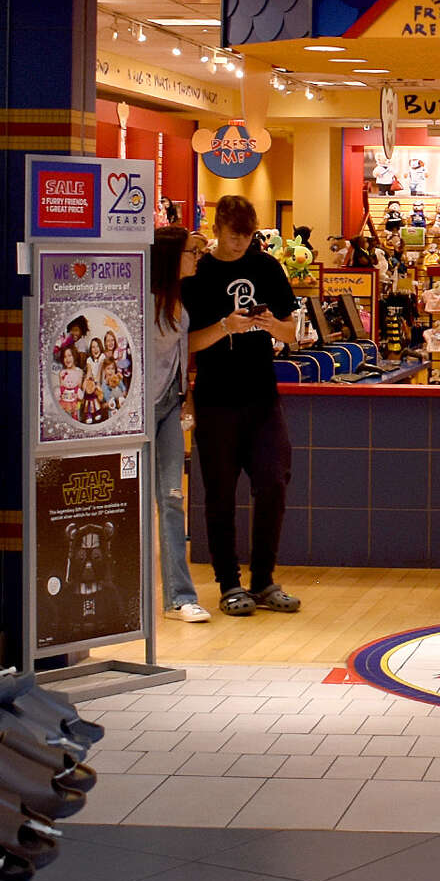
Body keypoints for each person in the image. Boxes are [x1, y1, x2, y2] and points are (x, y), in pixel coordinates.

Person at [184, 195, 303, 616]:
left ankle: (264, 580)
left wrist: (275, 326)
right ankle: (229, 583)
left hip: (262, 396)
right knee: (219, 494)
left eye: (249, 236)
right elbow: (188, 344)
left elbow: (293, 334)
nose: (241, 244)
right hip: (216, 400)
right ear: (218, 229)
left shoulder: (266, 267)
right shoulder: (198, 273)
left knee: (274, 481)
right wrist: (224, 326)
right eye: (235, 236)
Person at [150, 228, 210, 622]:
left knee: (172, 498)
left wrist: (186, 396)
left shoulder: (179, 300)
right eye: (191, 252)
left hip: (167, 407)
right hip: (134, 412)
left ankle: (178, 597)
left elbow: (178, 358)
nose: (197, 258)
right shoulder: (142, 300)